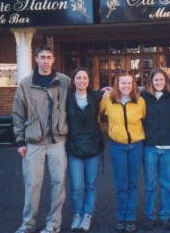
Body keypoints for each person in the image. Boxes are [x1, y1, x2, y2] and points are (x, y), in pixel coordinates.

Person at [12, 45, 70, 233]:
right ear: (36, 59)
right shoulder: (25, 83)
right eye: (42, 57)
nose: (46, 61)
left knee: (58, 184)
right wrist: (20, 141)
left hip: (58, 142)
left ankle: (53, 224)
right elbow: (18, 113)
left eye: (49, 57)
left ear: (54, 60)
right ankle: (28, 224)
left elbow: (82, 94)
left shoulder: (64, 81)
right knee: (32, 184)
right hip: (34, 142)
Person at [100, 71, 146, 233]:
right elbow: (93, 111)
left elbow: (145, 119)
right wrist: (100, 93)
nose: (126, 86)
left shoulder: (140, 101)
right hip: (117, 146)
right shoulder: (108, 100)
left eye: (129, 83)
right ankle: (121, 216)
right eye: (122, 83)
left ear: (133, 84)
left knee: (133, 183)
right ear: (117, 85)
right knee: (121, 183)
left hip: (136, 146)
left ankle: (130, 217)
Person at [66, 67, 105, 232]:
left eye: (85, 78)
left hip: (93, 147)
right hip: (74, 147)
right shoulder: (66, 98)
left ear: (89, 81)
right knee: (76, 186)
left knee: (91, 184)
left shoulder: (96, 96)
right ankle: (77, 214)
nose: (82, 81)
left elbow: (117, 95)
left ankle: (87, 214)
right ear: (73, 81)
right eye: (79, 78)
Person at [141, 68, 170, 231]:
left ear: (166, 81)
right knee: (149, 184)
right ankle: (149, 215)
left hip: (168, 146)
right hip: (150, 147)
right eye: (156, 80)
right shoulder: (143, 97)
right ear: (151, 81)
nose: (159, 83)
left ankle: (166, 216)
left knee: (166, 184)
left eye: (162, 80)